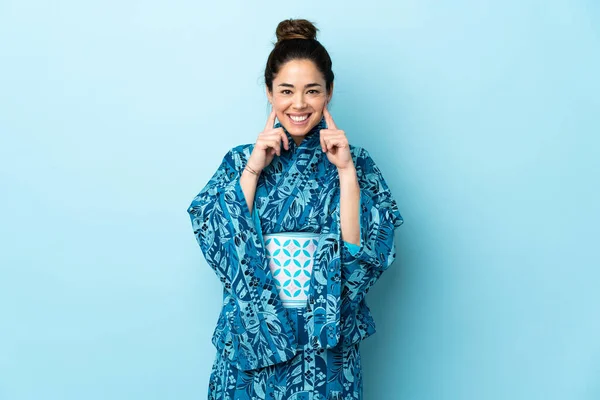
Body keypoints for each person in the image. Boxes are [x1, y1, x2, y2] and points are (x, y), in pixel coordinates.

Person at [187, 18, 404, 400]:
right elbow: (218, 244)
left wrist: (347, 175)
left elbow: (364, 261)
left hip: (324, 351)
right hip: (254, 346)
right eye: (286, 90)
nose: (299, 104)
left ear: (329, 93)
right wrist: (253, 168)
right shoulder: (239, 162)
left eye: (312, 91)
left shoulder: (358, 164)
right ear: (270, 93)